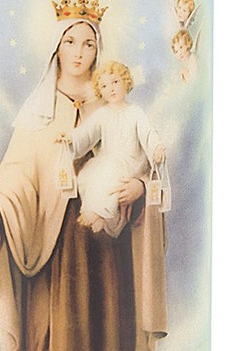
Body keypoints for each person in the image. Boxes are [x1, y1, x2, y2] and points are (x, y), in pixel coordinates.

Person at [0, 0, 168, 351]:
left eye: (88, 44)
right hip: (54, 243)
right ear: (56, 47)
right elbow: (18, 172)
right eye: (70, 42)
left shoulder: (113, 104)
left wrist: (140, 187)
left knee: (102, 336)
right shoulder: (39, 109)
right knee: (47, 336)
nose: (79, 52)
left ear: (99, 50)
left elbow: (145, 160)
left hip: (104, 244)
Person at [56, 60, 165, 237]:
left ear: (125, 82)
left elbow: (148, 133)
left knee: (112, 176)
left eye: (115, 82)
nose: (111, 89)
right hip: (108, 160)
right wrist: (71, 138)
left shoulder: (135, 112)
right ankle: (100, 215)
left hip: (130, 161)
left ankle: (100, 213)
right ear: (100, 90)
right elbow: (86, 133)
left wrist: (156, 149)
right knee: (88, 175)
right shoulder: (102, 114)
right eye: (104, 86)